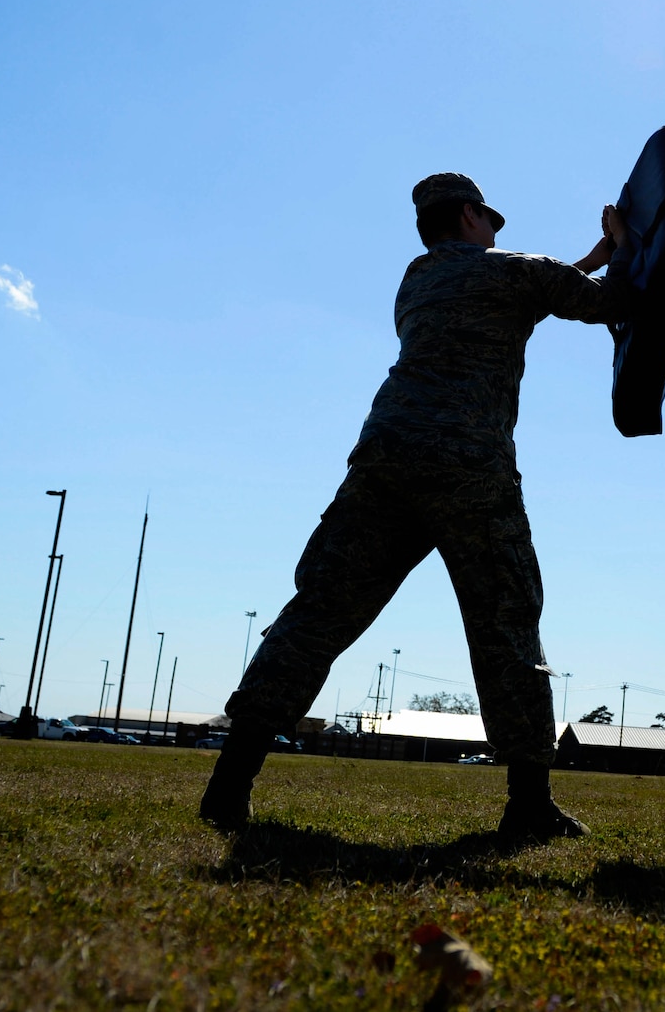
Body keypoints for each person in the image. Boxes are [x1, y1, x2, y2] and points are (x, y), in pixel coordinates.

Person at [200, 174, 632, 840]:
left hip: (384, 462)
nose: (496, 232)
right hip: (469, 467)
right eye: (491, 220)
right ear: (468, 215)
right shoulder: (515, 273)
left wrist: (587, 257)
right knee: (507, 625)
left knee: (317, 612)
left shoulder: (415, 281)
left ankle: (228, 783)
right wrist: (625, 246)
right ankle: (528, 802)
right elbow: (608, 304)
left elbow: (517, 291)